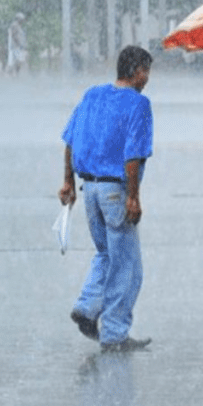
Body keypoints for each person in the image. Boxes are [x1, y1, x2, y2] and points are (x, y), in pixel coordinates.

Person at [59, 45, 154, 352]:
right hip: (116, 190)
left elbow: (70, 141)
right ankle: (114, 333)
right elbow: (133, 156)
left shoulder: (92, 95)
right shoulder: (138, 105)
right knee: (127, 266)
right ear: (136, 70)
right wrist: (134, 198)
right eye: (146, 72)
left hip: (90, 190)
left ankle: (87, 306)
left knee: (106, 255)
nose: (147, 79)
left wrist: (67, 182)